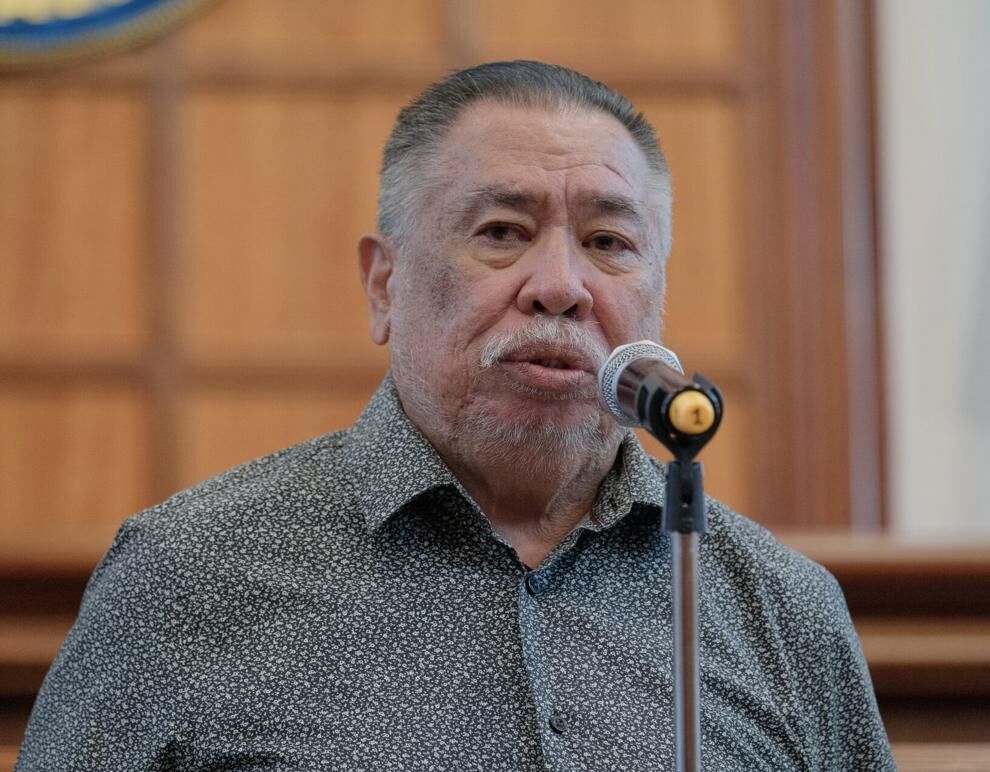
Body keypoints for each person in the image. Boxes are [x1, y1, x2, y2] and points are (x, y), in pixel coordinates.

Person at [16, 60, 895, 771]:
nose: (561, 286)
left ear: (657, 296)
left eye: (609, 244)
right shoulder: (188, 577)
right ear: (384, 286)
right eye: (503, 231)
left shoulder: (777, 608)